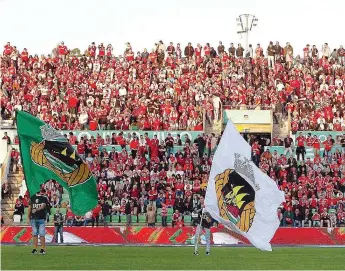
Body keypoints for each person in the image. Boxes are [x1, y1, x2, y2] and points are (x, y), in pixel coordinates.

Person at [27, 187, 49, 255]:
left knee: (42, 234)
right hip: (33, 218)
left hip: (41, 218)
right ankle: (35, 249)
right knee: (35, 234)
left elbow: (43, 206)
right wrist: (28, 217)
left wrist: (36, 209)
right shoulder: (32, 197)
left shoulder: (44, 197)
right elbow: (30, 207)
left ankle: (42, 249)